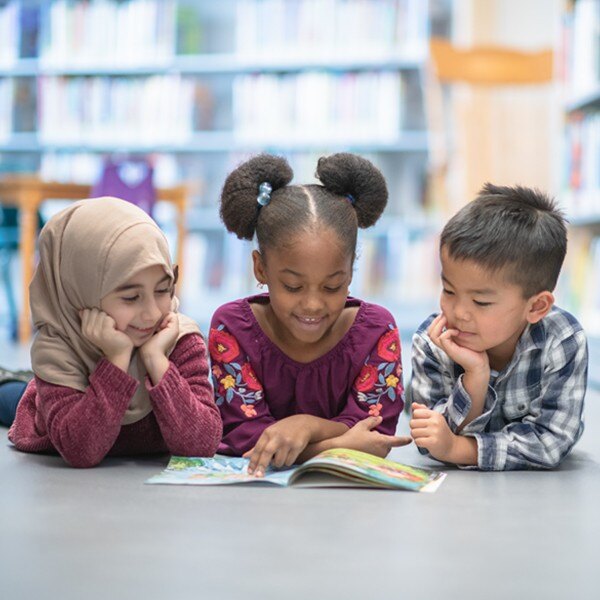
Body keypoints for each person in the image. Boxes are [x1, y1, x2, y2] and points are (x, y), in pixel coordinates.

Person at [209, 153, 410, 478]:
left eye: (332, 287)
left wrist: (303, 426)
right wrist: (337, 446)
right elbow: (246, 438)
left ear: (350, 272)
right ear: (261, 268)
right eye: (292, 286)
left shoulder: (377, 331)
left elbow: (374, 434)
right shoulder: (231, 328)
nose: (313, 305)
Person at [5, 197, 222, 467]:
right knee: (13, 398)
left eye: (163, 290)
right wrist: (117, 359)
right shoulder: (60, 348)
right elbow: (81, 451)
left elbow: (202, 443)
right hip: (43, 412)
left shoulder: (177, 337)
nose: (152, 314)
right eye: (131, 297)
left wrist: (157, 361)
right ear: (83, 291)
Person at [409, 183, 588, 470]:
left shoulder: (562, 339)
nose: (458, 312)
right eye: (449, 290)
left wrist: (458, 449)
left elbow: (550, 442)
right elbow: (429, 439)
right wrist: (475, 378)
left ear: (536, 307)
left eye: (480, 302)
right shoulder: (433, 340)